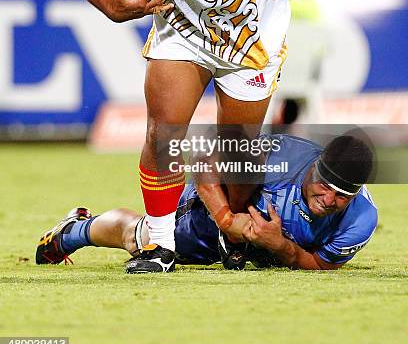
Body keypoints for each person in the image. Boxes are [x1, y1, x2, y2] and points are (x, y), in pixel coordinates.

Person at [66, 0, 326, 274]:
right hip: (182, 30)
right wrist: (112, 8)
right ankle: (160, 246)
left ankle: (233, 233)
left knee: (237, 155)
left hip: (250, 38)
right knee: (163, 133)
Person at [36, 134, 378, 272]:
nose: (330, 200)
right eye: (325, 186)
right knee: (141, 238)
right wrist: (227, 219)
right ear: (314, 166)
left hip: (266, 244)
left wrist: (282, 248)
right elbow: (204, 160)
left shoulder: (361, 219)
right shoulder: (280, 155)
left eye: (343, 195)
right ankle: (73, 231)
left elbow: (320, 264)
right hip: (213, 216)